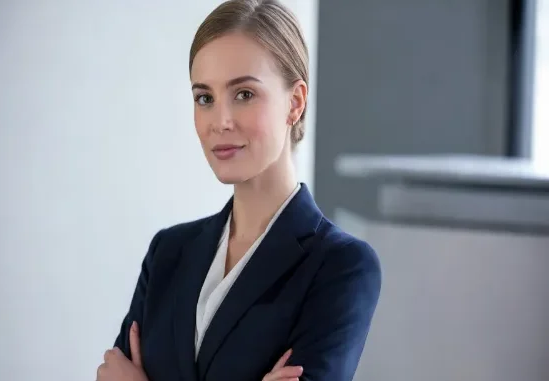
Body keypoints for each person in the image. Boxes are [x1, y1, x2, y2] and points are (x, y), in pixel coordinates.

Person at [96, 0, 381, 380]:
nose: (220, 121)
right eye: (205, 98)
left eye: (243, 94)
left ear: (294, 103)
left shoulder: (340, 267)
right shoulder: (168, 253)